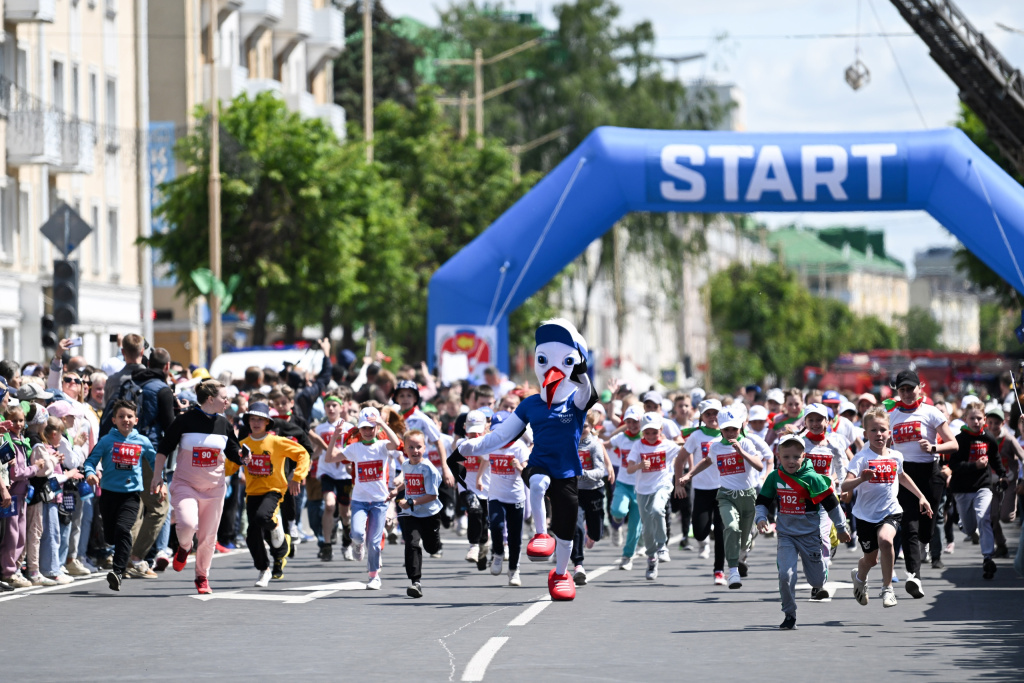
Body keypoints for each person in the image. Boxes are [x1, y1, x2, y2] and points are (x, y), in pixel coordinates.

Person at [455, 319, 595, 601]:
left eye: (564, 361)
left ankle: (560, 573)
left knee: (566, 532)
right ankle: (541, 534)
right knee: (539, 483)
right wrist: (470, 446)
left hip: (567, 472)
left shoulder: (575, 403)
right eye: (544, 359)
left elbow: (587, 392)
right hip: (539, 463)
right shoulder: (530, 404)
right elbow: (500, 436)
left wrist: (579, 368)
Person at [151, 380, 242, 595]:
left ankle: (202, 577)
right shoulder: (185, 420)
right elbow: (164, 448)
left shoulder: (224, 423)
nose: (228, 401)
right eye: (224, 397)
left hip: (214, 488)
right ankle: (183, 547)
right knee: (188, 524)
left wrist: (243, 456)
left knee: (209, 536)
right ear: (211, 399)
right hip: (186, 485)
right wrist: (157, 476)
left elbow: (233, 452)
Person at [755, 434, 851, 629]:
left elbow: (832, 505)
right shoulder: (775, 477)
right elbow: (763, 501)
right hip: (786, 535)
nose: (791, 461)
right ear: (778, 456)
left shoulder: (813, 478)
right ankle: (789, 613)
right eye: (786, 457)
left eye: (796, 457)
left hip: (810, 535)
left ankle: (824, 564)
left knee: (816, 581)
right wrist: (761, 517)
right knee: (785, 574)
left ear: (804, 456)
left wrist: (841, 528)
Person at [843, 406, 933, 608]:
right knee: (870, 560)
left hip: (890, 511)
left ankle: (887, 589)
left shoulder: (895, 456)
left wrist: (921, 497)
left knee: (886, 541)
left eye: (883, 429)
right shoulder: (861, 458)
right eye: (873, 430)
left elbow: (902, 476)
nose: (879, 434)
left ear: (890, 432)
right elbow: (844, 485)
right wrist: (860, 479)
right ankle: (859, 577)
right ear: (865, 434)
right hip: (865, 515)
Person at [884, 370, 956, 599]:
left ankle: (924, 546)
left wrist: (934, 448)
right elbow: (878, 439)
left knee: (927, 527)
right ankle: (914, 576)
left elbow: (953, 444)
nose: (906, 393)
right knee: (909, 526)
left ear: (920, 387)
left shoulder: (931, 412)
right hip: (904, 474)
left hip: (930, 473)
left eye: (910, 388)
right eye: (902, 389)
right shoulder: (890, 414)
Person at [226, 402, 310, 587]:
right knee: (252, 534)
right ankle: (264, 569)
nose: (256, 423)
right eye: (252, 419)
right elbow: (230, 466)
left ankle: (276, 526)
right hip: (252, 492)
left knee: (262, 517)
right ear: (248, 422)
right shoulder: (243, 445)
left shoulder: (277, 442)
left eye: (260, 419)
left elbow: (303, 453)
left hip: (274, 490)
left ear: (267, 423)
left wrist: (297, 476)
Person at [679, 407, 764, 589]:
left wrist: (742, 452)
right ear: (721, 430)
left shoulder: (747, 444)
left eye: (734, 429)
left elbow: (758, 466)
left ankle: (750, 534)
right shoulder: (716, 446)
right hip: (726, 495)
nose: (731, 433)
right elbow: (707, 461)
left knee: (743, 540)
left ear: (740, 428)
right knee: (731, 528)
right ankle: (732, 572)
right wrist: (689, 475)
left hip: (747, 496)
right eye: (727, 430)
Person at [82, 400, 157, 591]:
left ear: (136, 420)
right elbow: (90, 461)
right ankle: (117, 557)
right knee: (111, 535)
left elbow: (156, 462)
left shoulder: (142, 441)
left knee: (124, 530)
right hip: (108, 495)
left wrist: (160, 481)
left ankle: (118, 571)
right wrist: (90, 473)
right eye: (121, 416)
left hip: (131, 496)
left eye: (130, 416)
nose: (126, 420)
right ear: (114, 420)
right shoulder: (107, 441)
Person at [324, 406, 402, 590]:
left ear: (377, 429)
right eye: (364, 428)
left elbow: (396, 443)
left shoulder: (382, 446)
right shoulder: (355, 448)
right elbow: (329, 458)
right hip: (359, 500)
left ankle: (374, 576)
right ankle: (357, 544)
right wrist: (335, 437)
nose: (367, 431)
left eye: (371, 428)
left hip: (379, 502)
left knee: (374, 542)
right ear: (359, 429)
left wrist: (382, 422)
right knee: (358, 534)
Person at [948, 405, 1006, 580]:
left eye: (979, 418)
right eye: (972, 418)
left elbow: (995, 459)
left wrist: (1002, 475)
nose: (976, 422)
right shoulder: (959, 439)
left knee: (984, 517)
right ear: (965, 418)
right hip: (962, 489)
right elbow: (954, 465)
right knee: (969, 528)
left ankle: (987, 557)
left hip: (983, 486)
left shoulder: (988, 438)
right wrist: (975, 465)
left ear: (984, 419)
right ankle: (963, 523)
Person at [627, 412, 681, 581]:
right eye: (647, 432)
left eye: (654, 432)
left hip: (662, 486)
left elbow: (685, 450)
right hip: (643, 490)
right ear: (642, 432)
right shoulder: (638, 446)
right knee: (647, 527)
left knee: (658, 510)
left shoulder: (668, 445)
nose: (650, 436)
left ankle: (662, 546)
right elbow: (629, 469)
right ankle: (651, 558)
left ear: (661, 430)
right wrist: (639, 465)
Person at [681, 399, 726, 584]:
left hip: (724, 489)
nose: (712, 417)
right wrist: (679, 482)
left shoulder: (730, 433)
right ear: (702, 417)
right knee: (699, 533)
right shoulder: (696, 436)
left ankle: (719, 570)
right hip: (702, 489)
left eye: (715, 413)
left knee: (722, 533)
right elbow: (679, 459)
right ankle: (707, 535)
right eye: (708, 414)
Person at [395, 430, 443, 598]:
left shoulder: (428, 468)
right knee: (412, 544)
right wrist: (395, 491)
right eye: (411, 447)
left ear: (425, 448)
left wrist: (410, 502)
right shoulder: (406, 465)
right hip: (411, 514)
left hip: (429, 513)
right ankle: (415, 582)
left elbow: (432, 495)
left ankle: (436, 543)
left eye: (419, 447)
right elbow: (407, 482)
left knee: (431, 547)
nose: (415, 451)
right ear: (405, 450)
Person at [484, 411, 529, 587]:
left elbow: (526, 470)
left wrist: (519, 466)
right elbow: (483, 461)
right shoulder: (490, 445)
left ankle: (514, 570)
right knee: (496, 524)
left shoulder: (519, 447)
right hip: (496, 495)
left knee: (515, 537)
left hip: (516, 496)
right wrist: (479, 478)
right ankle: (498, 553)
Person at [314, 392, 354, 562]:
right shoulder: (319, 429)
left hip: (344, 474)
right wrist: (308, 460)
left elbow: (354, 450)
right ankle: (327, 545)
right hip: (327, 472)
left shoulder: (350, 428)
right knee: (329, 505)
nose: (331, 408)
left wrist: (351, 463)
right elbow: (317, 451)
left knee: (346, 513)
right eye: (328, 405)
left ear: (341, 407)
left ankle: (347, 540)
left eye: (334, 405)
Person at [1, 405, 36, 588]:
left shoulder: (22, 440)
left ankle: (14, 568)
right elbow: (15, 473)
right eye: (14, 420)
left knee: (21, 534)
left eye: (21, 420)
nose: (18, 424)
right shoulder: (9, 442)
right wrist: (35, 468)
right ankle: (8, 571)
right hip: (12, 494)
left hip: (22, 495)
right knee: (12, 535)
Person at [572, 409, 607, 585]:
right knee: (576, 526)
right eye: (578, 425)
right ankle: (578, 564)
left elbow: (601, 471)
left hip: (594, 491)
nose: (581, 428)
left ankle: (592, 534)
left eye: (585, 426)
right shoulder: (569, 444)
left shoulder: (594, 445)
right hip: (575, 492)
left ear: (592, 427)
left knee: (596, 532)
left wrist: (583, 473)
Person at [608, 405, 644, 569]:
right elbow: (604, 445)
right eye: (628, 421)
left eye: (635, 421)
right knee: (618, 511)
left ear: (641, 422)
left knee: (635, 526)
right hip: (623, 482)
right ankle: (618, 517)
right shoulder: (621, 437)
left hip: (641, 487)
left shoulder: (647, 438)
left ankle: (627, 556)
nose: (632, 425)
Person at [459, 410, 491, 571]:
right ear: (465, 428)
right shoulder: (462, 443)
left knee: (483, 522)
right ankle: (473, 546)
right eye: (471, 430)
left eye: (478, 429)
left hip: (486, 489)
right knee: (474, 511)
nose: (474, 433)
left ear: (485, 428)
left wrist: (479, 478)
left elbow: (486, 459)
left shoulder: (489, 443)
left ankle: (482, 548)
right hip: (467, 488)